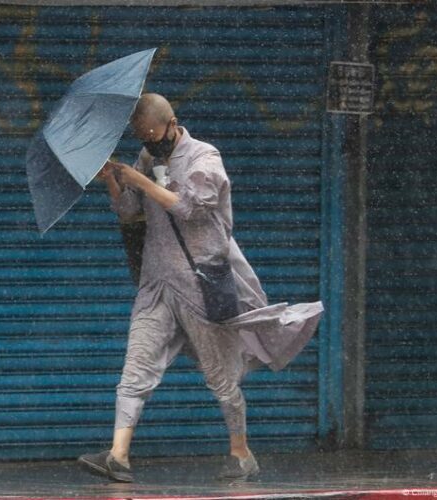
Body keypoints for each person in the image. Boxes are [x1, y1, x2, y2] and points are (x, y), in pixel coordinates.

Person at [77, 93, 324, 483]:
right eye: (141, 137)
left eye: (153, 134)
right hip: (157, 284)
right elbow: (129, 212)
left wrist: (139, 177)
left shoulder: (205, 158)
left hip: (200, 285)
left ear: (171, 123)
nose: (148, 143)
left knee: (220, 374)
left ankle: (240, 452)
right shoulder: (147, 158)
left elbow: (189, 207)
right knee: (136, 365)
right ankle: (118, 455)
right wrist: (113, 180)